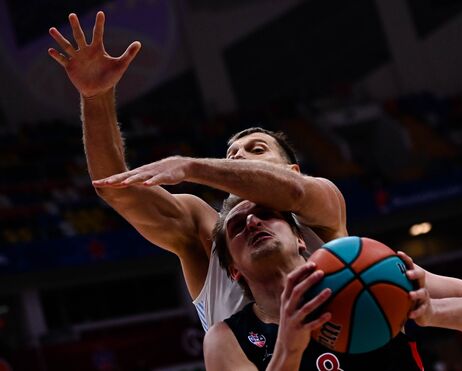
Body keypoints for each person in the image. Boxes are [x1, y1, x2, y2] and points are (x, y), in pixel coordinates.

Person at [48, 11, 347, 331]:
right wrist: (96, 98)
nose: (239, 157)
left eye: (256, 149)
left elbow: (295, 191)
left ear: (293, 169)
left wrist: (189, 165)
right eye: (231, 155)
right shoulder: (207, 230)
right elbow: (116, 189)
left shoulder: (322, 204)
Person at [203, 197, 462, 370]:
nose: (252, 221)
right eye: (237, 227)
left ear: (301, 238)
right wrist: (289, 349)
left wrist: (433, 311)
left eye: (264, 213)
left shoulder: (367, 268)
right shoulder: (227, 338)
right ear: (233, 270)